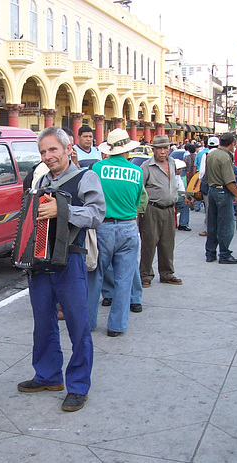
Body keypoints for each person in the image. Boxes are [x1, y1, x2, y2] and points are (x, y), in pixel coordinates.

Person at [17, 126, 105, 412]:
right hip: (40, 262)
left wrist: (62, 211)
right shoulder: (39, 179)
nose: (48, 156)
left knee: (78, 325)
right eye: (43, 151)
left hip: (71, 260)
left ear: (69, 149)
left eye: (53, 149)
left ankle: (78, 386)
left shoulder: (85, 177)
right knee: (43, 322)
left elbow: (96, 214)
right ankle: (48, 375)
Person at [87, 128, 142, 337]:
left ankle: (89, 322)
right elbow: (137, 202)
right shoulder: (137, 172)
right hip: (128, 227)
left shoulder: (97, 168)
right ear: (127, 150)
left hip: (102, 227)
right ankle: (117, 326)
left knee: (94, 276)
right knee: (124, 279)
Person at [139, 134, 182, 287]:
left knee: (168, 243)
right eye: (159, 148)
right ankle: (145, 274)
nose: (163, 151)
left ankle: (167, 273)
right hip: (152, 209)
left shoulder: (172, 163)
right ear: (153, 150)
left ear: (169, 149)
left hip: (169, 209)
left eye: (165, 148)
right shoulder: (146, 166)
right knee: (149, 243)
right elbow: (140, 189)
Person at [204, 132, 237, 264]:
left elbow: (206, 175)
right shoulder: (225, 157)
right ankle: (225, 254)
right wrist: (236, 194)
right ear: (232, 144)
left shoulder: (211, 154)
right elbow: (229, 180)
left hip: (212, 189)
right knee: (226, 225)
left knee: (212, 223)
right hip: (223, 192)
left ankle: (210, 252)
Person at [174, 159, 192, 231]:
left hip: (177, 197)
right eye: (179, 169)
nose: (180, 171)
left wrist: (185, 197)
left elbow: (181, 187)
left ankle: (183, 224)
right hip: (169, 198)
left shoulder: (178, 177)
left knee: (185, 204)